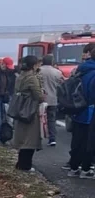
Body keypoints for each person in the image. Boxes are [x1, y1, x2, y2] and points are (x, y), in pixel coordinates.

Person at [68, 43, 95, 178]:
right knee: (89, 142)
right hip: (90, 111)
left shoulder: (81, 69)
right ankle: (86, 169)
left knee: (77, 140)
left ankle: (73, 167)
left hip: (77, 108)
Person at [12, 56, 44, 171]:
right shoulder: (32, 78)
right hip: (29, 110)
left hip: (20, 109)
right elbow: (38, 95)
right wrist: (43, 96)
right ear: (34, 65)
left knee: (22, 137)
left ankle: (20, 163)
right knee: (30, 139)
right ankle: (26, 165)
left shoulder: (20, 76)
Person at [38, 54, 63, 147]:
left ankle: (38, 138)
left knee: (38, 119)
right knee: (51, 119)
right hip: (52, 98)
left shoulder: (38, 71)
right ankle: (52, 138)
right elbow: (61, 83)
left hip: (40, 99)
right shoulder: (57, 72)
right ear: (52, 62)